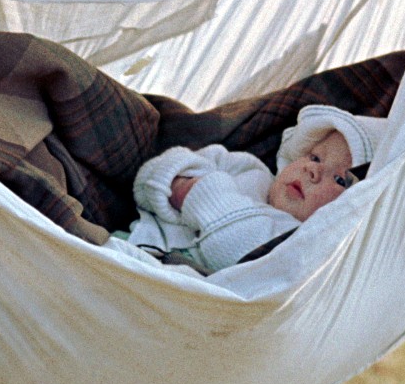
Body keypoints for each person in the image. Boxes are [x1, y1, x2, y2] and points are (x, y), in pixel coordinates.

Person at [113, 105, 386, 274]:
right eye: (315, 157)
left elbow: (233, 250)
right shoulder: (251, 171)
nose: (312, 170)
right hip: (119, 245)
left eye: (340, 180)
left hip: (166, 285)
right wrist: (179, 183)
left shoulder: (294, 244)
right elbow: (150, 176)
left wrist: (202, 193)